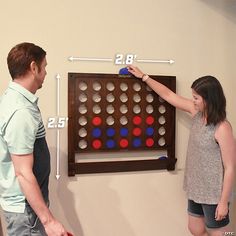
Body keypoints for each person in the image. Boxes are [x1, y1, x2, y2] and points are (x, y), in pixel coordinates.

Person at [127, 65, 236, 236]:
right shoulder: (197, 114)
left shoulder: (222, 127)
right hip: (196, 187)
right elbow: (168, 95)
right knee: (195, 229)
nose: (193, 101)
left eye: (196, 98)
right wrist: (144, 77)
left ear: (209, 99)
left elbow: (230, 167)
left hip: (214, 193)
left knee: (219, 234)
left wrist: (223, 202)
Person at [0, 42, 69, 236]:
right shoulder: (20, 111)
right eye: (44, 66)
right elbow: (22, 172)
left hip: (28, 210)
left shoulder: (13, 100)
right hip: (26, 213)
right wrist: (49, 221)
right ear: (33, 67)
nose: (46, 72)